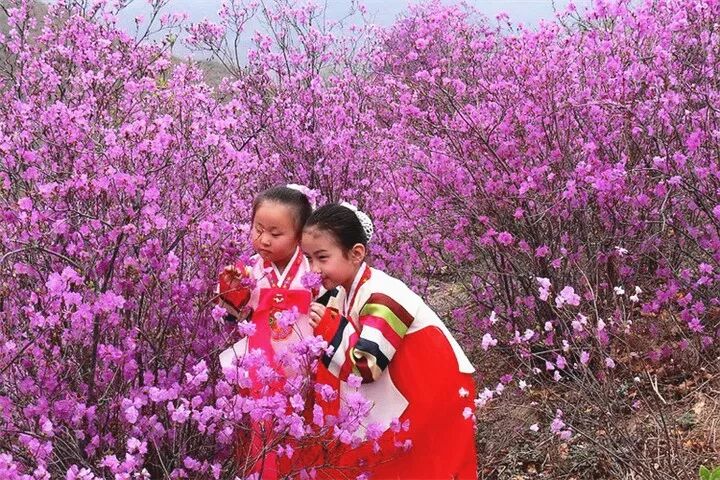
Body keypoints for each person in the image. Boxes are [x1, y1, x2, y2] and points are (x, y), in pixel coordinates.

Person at [302, 202, 478, 479]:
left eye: (322, 258)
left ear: (356, 253)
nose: (314, 268)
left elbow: (367, 365)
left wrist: (328, 327)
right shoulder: (341, 292)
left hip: (429, 393)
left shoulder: (384, 294)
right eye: (309, 259)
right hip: (405, 395)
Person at [218, 185, 335, 479]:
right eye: (258, 229)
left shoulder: (312, 272)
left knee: (302, 432)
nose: (264, 239)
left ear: (299, 236)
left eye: (275, 233)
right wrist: (232, 290)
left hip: (303, 369)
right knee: (260, 431)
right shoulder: (249, 271)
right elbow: (236, 317)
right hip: (259, 367)